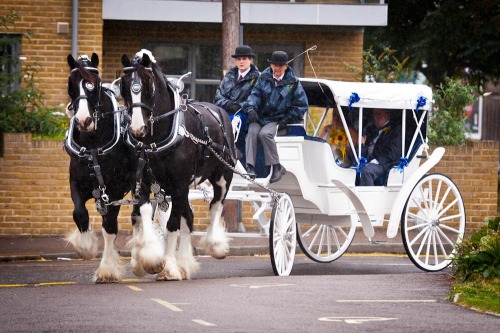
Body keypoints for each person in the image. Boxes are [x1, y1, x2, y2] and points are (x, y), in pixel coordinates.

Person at [242, 51, 308, 183]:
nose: (276, 68)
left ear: (285, 67)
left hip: (278, 119)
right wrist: (251, 109)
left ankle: (276, 166)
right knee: (252, 131)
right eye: (274, 65)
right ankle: (249, 166)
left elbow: (301, 105)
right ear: (271, 65)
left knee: (265, 134)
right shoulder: (263, 78)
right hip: (260, 117)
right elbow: (254, 96)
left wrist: (287, 119)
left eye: (280, 65)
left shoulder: (293, 83)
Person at [214, 45, 260, 161]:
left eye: (244, 59)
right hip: (226, 113)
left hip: (246, 115)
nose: (241, 62)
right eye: (239, 59)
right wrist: (229, 104)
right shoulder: (228, 76)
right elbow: (218, 97)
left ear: (250, 60)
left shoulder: (258, 78)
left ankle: (236, 159)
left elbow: (255, 99)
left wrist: (241, 106)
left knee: (234, 126)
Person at [358, 108, 402, 186]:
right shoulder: (371, 130)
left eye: (379, 114)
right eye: (374, 114)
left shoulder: (395, 130)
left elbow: (392, 153)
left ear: (388, 115)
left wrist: (373, 162)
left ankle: (367, 197)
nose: (375, 117)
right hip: (370, 159)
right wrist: (362, 144)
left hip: (385, 163)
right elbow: (368, 148)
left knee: (367, 170)